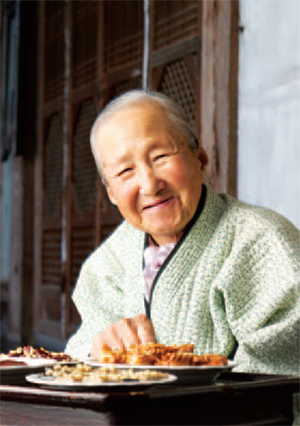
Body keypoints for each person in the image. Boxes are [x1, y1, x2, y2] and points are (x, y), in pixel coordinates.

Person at [65, 90, 300, 382]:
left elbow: (280, 381)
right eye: (126, 171)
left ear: (200, 158)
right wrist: (96, 349)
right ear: (111, 193)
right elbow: (76, 355)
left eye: (160, 156)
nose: (150, 185)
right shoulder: (108, 263)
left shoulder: (264, 244)